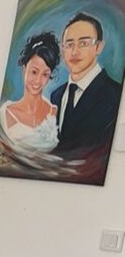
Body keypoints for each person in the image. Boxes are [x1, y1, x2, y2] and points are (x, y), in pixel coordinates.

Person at [51, 11, 123, 167]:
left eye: (83, 43)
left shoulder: (116, 96)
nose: (74, 51)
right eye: (69, 45)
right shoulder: (55, 96)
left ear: (98, 47)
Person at [0, 32, 61, 153]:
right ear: (24, 70)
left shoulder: (54, 112)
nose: (38, 81)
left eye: (45, 74)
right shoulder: (6, 113)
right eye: (34, 72)